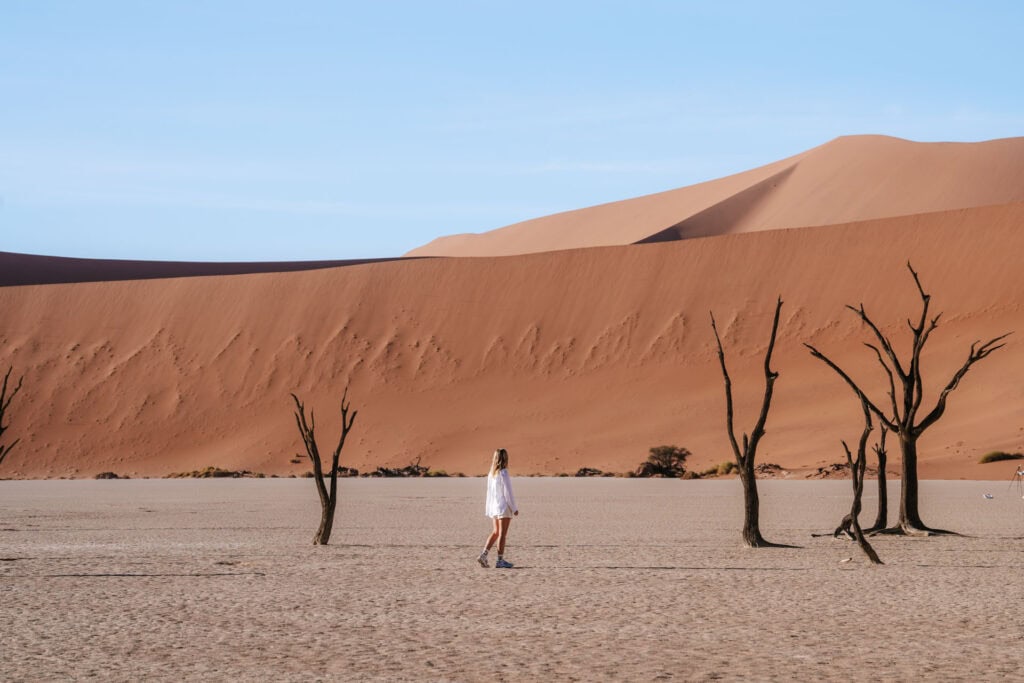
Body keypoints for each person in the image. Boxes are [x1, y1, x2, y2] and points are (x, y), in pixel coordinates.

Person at [477, 448, 518, 569]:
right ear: (504, 459)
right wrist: (514, 508)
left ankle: (484, 555)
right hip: (504, 507)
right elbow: (508, 492)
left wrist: (489, 508)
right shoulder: (504, 473)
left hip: (495, 507)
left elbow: (489, 493)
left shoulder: (492, 474)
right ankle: (500, 560)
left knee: (496, 532)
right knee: (502, 535)